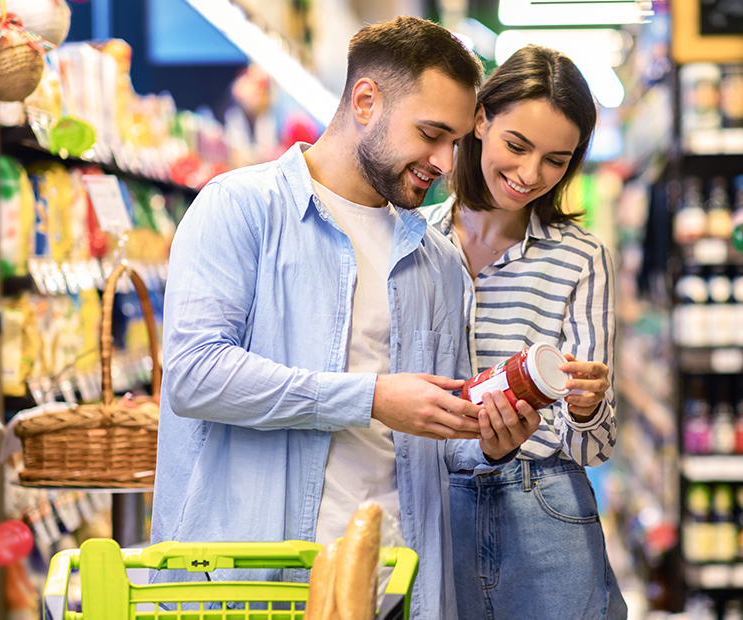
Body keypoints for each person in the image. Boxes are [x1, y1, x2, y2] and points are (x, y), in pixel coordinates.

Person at [151, 17, 541, 620]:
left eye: (458, 142)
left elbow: (439, 442)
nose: (445, 160)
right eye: (432, 133)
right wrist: (370, 397)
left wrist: (489, 443)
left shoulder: (438, 262)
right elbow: (194, 375)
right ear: (365, 101)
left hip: (398, 587)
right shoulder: (240, 208)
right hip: (260, 585)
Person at [422, 45, 625, 619]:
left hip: (547, 507)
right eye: (517, 145)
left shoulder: (582, 259)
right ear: (480, 119)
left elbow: (594, 448)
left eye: (557, 159)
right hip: (438, 506)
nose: (530, 174)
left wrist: (587, 406)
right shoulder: (415, 243)